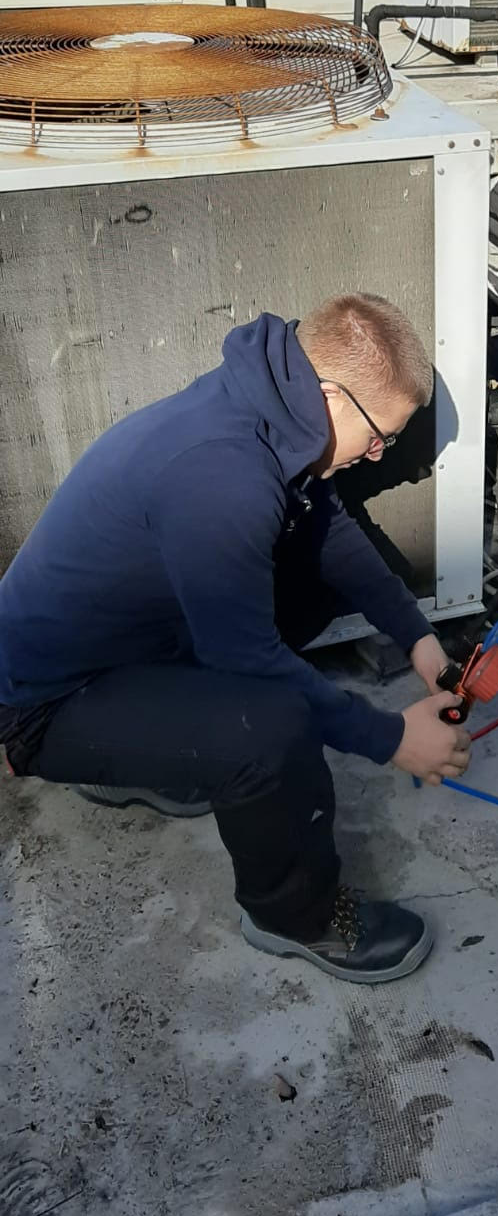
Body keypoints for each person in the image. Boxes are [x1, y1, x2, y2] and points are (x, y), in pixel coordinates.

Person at [0, 297, 472, 985]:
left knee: (311, 587)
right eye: (380, 437)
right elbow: (247, 662)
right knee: (274, 725)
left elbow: (328, 530)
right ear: (332, 397)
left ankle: (153, 760)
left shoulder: (270, 406)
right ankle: (297, 917)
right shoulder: (222, 474)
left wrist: (417, 636)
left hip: (124, 647)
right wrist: (392, 738)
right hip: (45, 702)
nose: (378, 455)